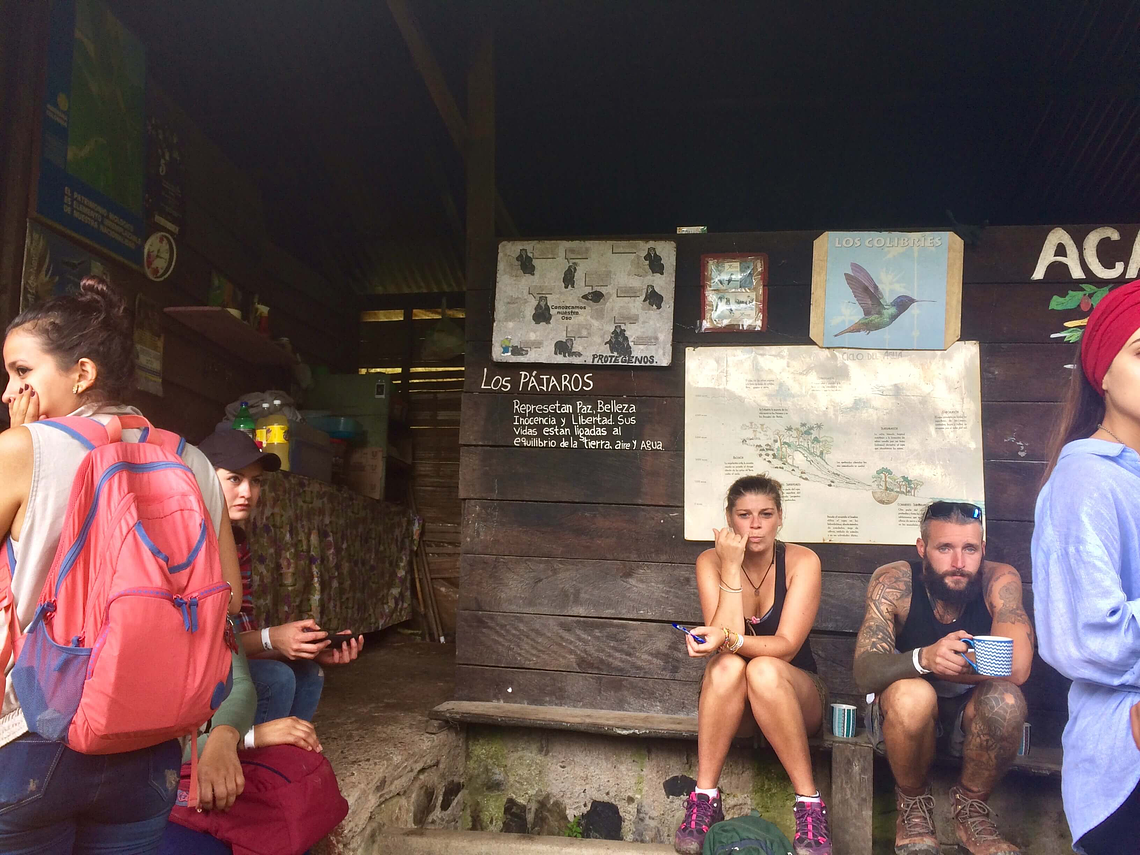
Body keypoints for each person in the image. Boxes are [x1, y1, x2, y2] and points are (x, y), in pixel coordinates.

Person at [0, 276, 242, 853]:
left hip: (32, 734)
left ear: (82, 374)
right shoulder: (193, 460)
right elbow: (226, 596)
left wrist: (15, 442)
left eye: (22, 372)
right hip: (152, 743)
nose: (10, 390)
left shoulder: (22, 449)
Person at [852, 501, 1033, 855]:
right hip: (903, 722)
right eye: (945, 548)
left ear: (983, 549)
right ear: (922, 549)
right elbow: (865, 671)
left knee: (1007, 699)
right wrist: (924, 659)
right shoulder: (894, 581)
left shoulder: (1000, 580)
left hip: (969, 716)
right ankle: (913, 804)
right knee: (912, 696)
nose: (958, 563)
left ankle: (971, 810)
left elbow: (1020, 666)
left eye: (969, 549)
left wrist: (954, 661)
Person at [1033, 278, 1140, 855]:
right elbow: (1088, 637)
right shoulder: (1086, 477)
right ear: (1103, 371)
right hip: (1126, 763)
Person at [674, 475, 831, 855]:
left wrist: (730, 639)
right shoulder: (710, 561)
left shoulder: (802, 561)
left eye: (765, 514)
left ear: (780, 517)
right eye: (744, 515)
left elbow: (787, 647)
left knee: (764, 668)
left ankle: (809, 805)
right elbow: (722, 646)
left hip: (793, 692)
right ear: (729, 519)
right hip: (736, 705)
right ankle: (705, 798)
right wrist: (730, 567)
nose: (755, 525)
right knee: (727, 668)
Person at [198, 428, 362, 724]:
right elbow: (205, 644)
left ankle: (279, 765)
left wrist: (301, 648)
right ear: (203, 479)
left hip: (223, 662)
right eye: (235, 478)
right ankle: (230, 756)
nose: (247, 492)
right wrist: (271, 639)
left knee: (308, 673)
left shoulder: (236, 543)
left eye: (256, 481)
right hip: (192, 670)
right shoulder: (193, 542)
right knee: (276, 679)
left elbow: (235, 637)